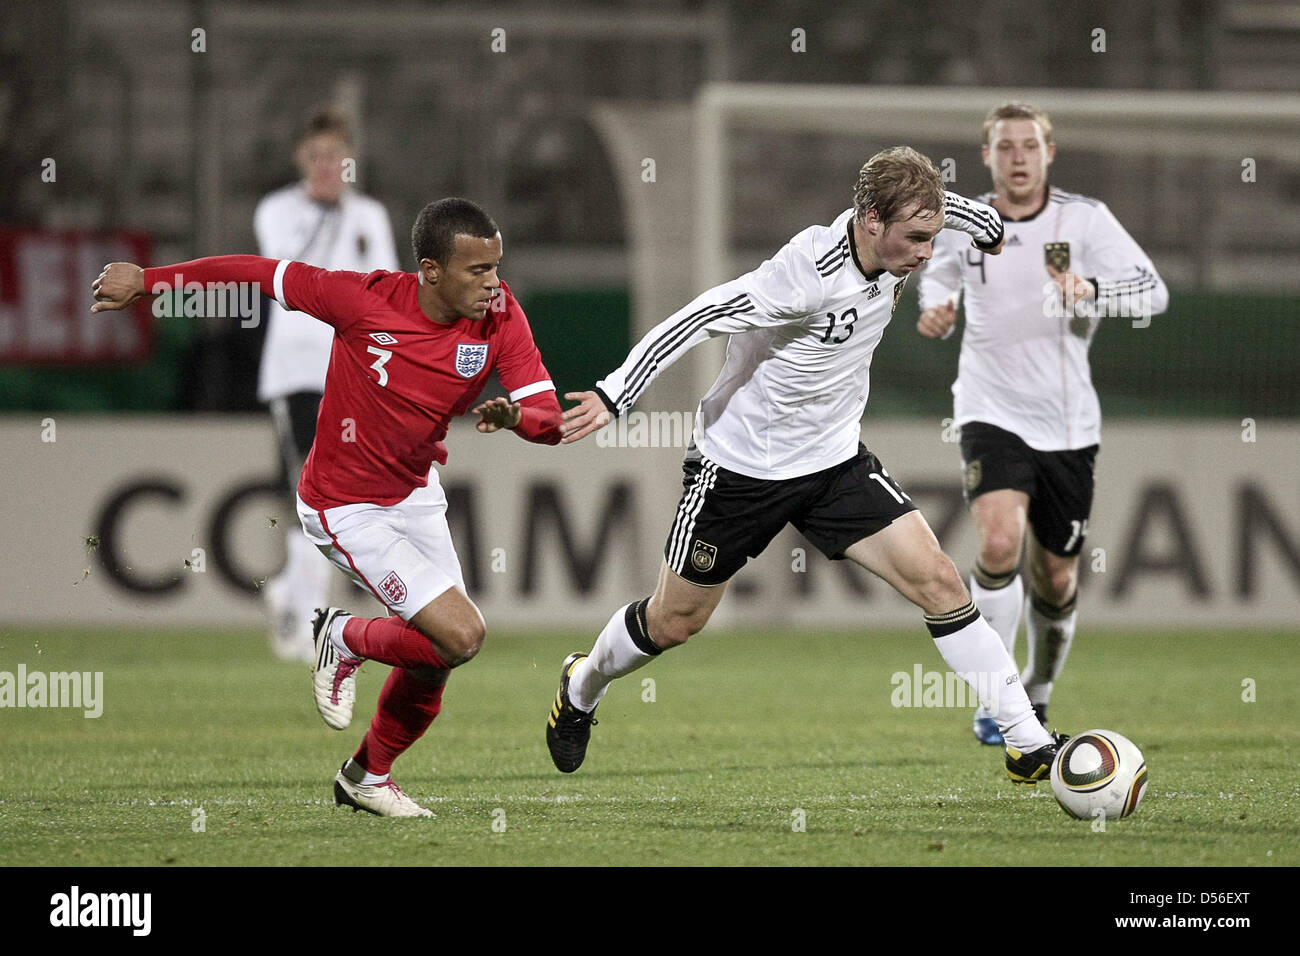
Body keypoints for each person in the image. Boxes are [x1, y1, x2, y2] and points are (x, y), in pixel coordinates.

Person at [550, 146, 1065, 788]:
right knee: (673, 621)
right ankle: (583, 684)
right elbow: (700, 316)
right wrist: (615, 393)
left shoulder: (909, 228)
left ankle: (1025, 740)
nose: (927, 252)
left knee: (939, 580)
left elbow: (963, 216)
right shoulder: (805, 273)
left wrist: (985, 227)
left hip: (833, 462)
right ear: (870, 220)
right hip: (741, 469)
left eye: (933, 236)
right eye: (915, 239)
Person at [92, 198, 563, 817]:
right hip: (345, 505)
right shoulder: (361, 299)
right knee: (462, 633)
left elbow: (550, 420)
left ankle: (366, 775)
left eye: (496, 267)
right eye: (477, 271)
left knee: (439, 655)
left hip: (417, 491)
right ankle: (341, 635)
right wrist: (151, 283)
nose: (492, 283)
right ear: (429, 270)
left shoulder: (500, 314)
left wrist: (518, 419)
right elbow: (256, 273)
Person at [916, 103, 1168, 745]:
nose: (1018, 157)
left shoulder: (1083, 219)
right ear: (987, 156)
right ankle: (1000, 702)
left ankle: (1039, 688)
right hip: (988, 407)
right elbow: (938, 273)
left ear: (1049, 153)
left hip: (1067, 424)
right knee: (999, 543)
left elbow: (1153, 292)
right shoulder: (966, 221)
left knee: (1056, 576)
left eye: (1030, 145)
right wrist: (938, 304)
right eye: (1005, 147)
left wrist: (1094, 291)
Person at [257, 108, 400, 664]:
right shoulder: (277, 211)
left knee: (351, 492)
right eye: (316, 157)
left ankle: (294, 600)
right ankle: (311, 621)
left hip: (353, 376)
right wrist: (331, 213)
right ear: (301, 160)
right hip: (295, 373)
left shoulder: (371, 215)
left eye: (336, 157)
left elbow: (385, 291)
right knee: (303, 490)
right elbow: (294, 276)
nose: (326, 168)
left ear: (350, 162)